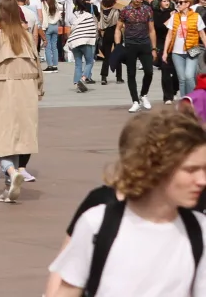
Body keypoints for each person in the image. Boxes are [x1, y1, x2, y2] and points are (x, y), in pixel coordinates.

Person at [46, 108, 206, 296]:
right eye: (190, 170)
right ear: (155, 168)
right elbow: (66, 291)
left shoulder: (199, 231)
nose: (202, 180)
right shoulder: (98, 225)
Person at [0, 0, 43, 204]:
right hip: (26, 91)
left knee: (0, 139)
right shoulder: (27, 36)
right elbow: (37, 64)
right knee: (17, 141)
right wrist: (40, 87)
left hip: (2, 90)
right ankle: (9, 187)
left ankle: (12, 172)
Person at [120, 0, 159, 111]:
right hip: (130, 44)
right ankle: (135, 101)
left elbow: (152, 30)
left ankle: (143, 94)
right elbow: (118, 28)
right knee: (131, 73)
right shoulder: (125, 11)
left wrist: (154, 48)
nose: (137, 0)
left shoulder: (148, 9)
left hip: (145, 44)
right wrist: (117, 46)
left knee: (149, 71)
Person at [163, 0, 205, 103]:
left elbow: (202, 35)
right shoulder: (174, 16)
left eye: (181, 2)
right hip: (176, 52)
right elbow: (169, 35)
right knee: (182, 79)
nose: (178, 4)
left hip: (193, 50)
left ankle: (194, 99)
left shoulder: (196, 16)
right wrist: (165, 52)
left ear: (187, 4)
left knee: (189, 76)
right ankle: (184, 101)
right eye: (178, 2)